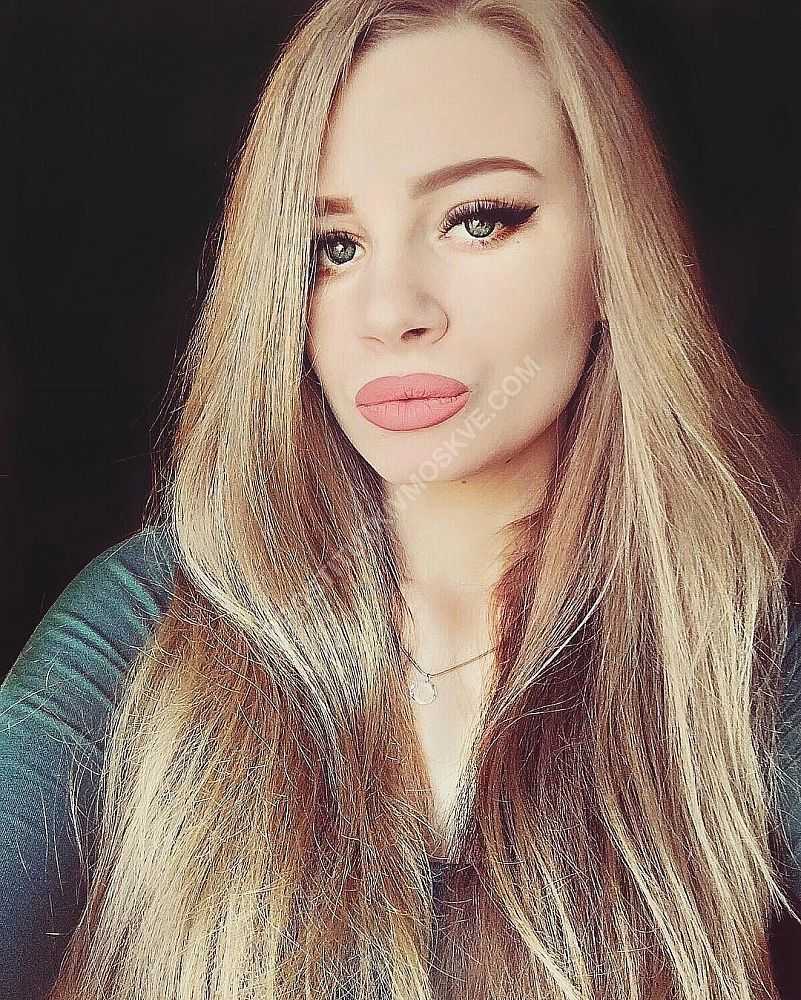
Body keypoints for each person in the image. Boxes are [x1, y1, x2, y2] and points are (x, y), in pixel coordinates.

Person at [3, 0, 801, 997]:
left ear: (613, 250)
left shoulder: (743, 620)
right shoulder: (147, 623)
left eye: (478, 219)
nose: (390, 312)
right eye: (333, 247)